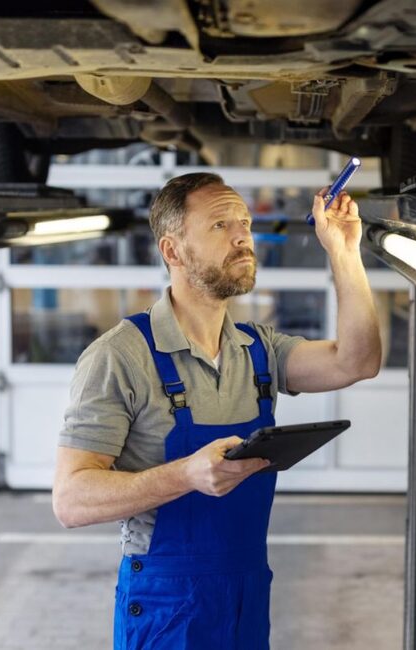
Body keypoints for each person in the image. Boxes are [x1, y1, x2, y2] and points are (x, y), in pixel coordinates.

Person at [52, 172, 382, 649]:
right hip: (167, 607)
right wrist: (186, 475)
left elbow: (357, 361)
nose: (242, 236)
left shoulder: (258, 349)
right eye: (220, 225)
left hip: (245, 594)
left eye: (244, 222)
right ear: (172, 251)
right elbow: (70, 500)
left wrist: (344, 251)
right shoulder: (120, 356)